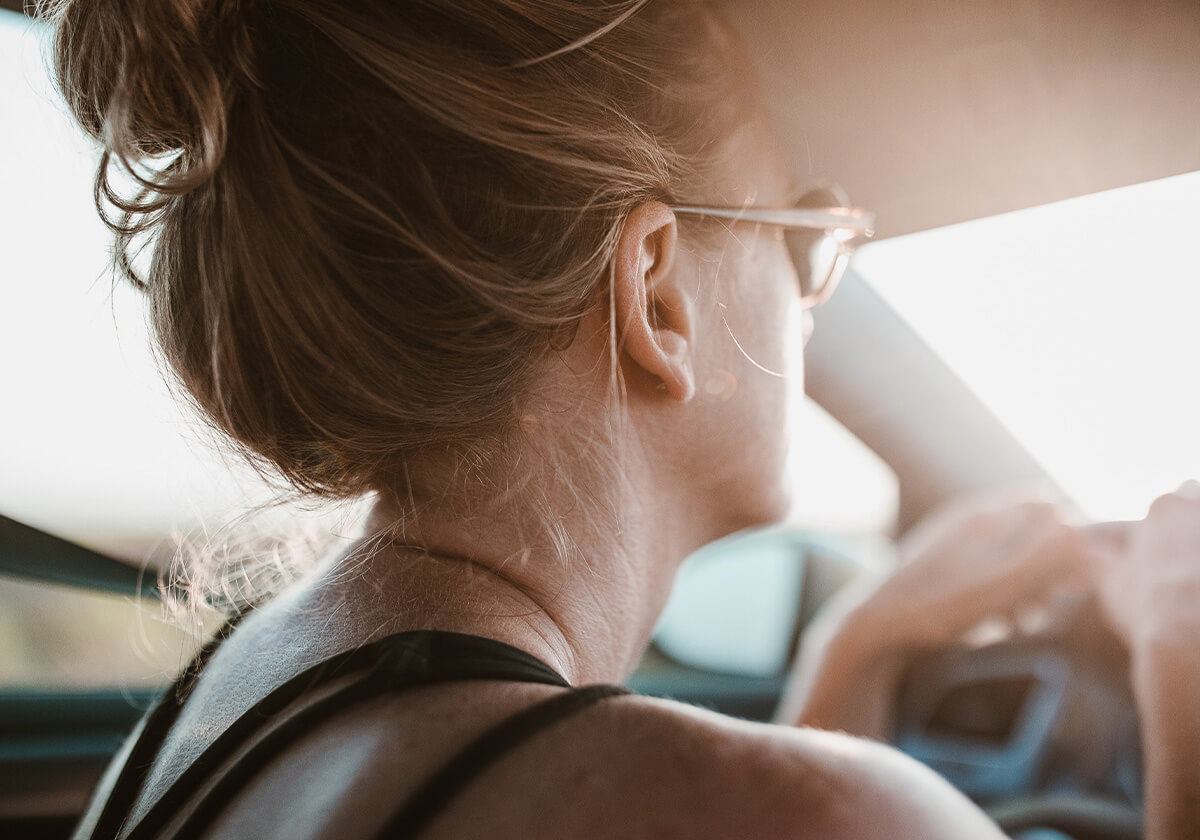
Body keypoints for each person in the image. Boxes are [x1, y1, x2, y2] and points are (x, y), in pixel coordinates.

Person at [45, 0, 1198, 837]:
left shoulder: (227, 700)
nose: (807, 302)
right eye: (800, 242)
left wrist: (859, 647)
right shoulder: (800, 813)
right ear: (658, 298)